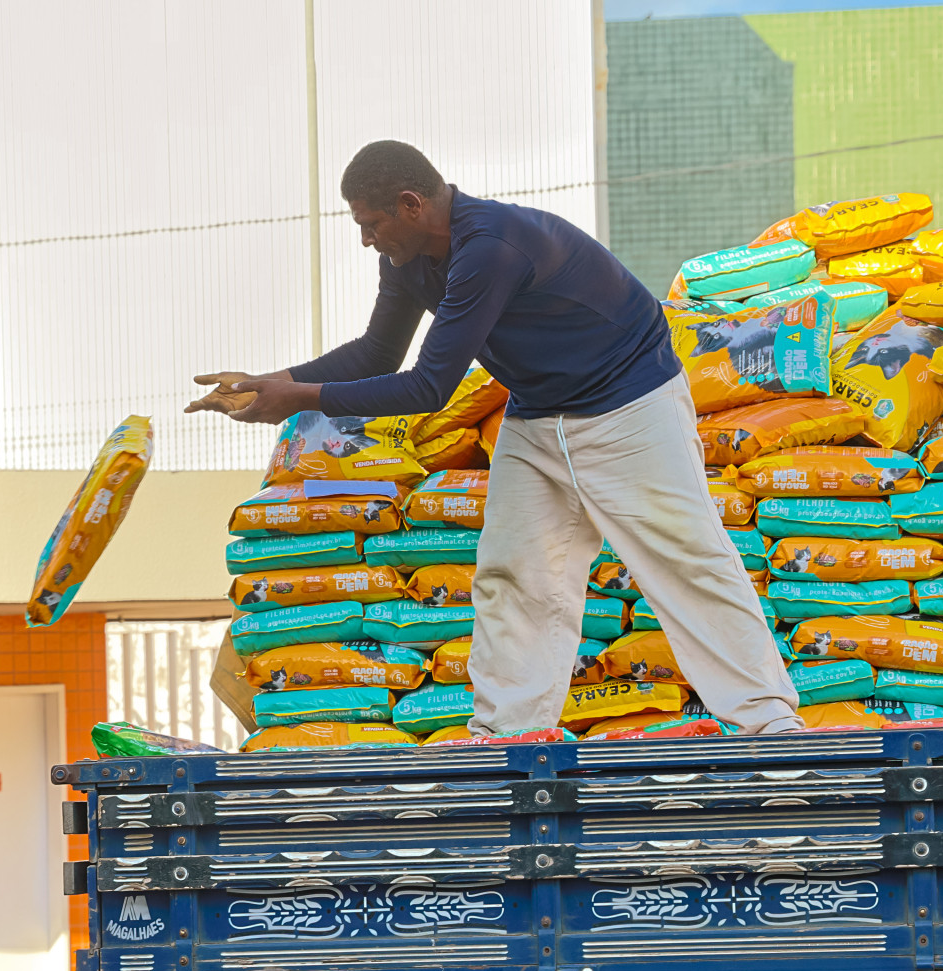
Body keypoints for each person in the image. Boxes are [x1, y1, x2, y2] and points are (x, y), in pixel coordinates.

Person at [192, 140, 801, 738]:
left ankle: (768, 720)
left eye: (370, 224)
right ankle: (510, 732)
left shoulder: (491, 247)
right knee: (514, 572)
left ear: (411, 204)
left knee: (685, 560)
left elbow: (430, 387)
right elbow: (378, 351)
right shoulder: (407, 259)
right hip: (538, 414)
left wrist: (297, 400)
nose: (365, 239)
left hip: (629, 404)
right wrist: (273, 382)